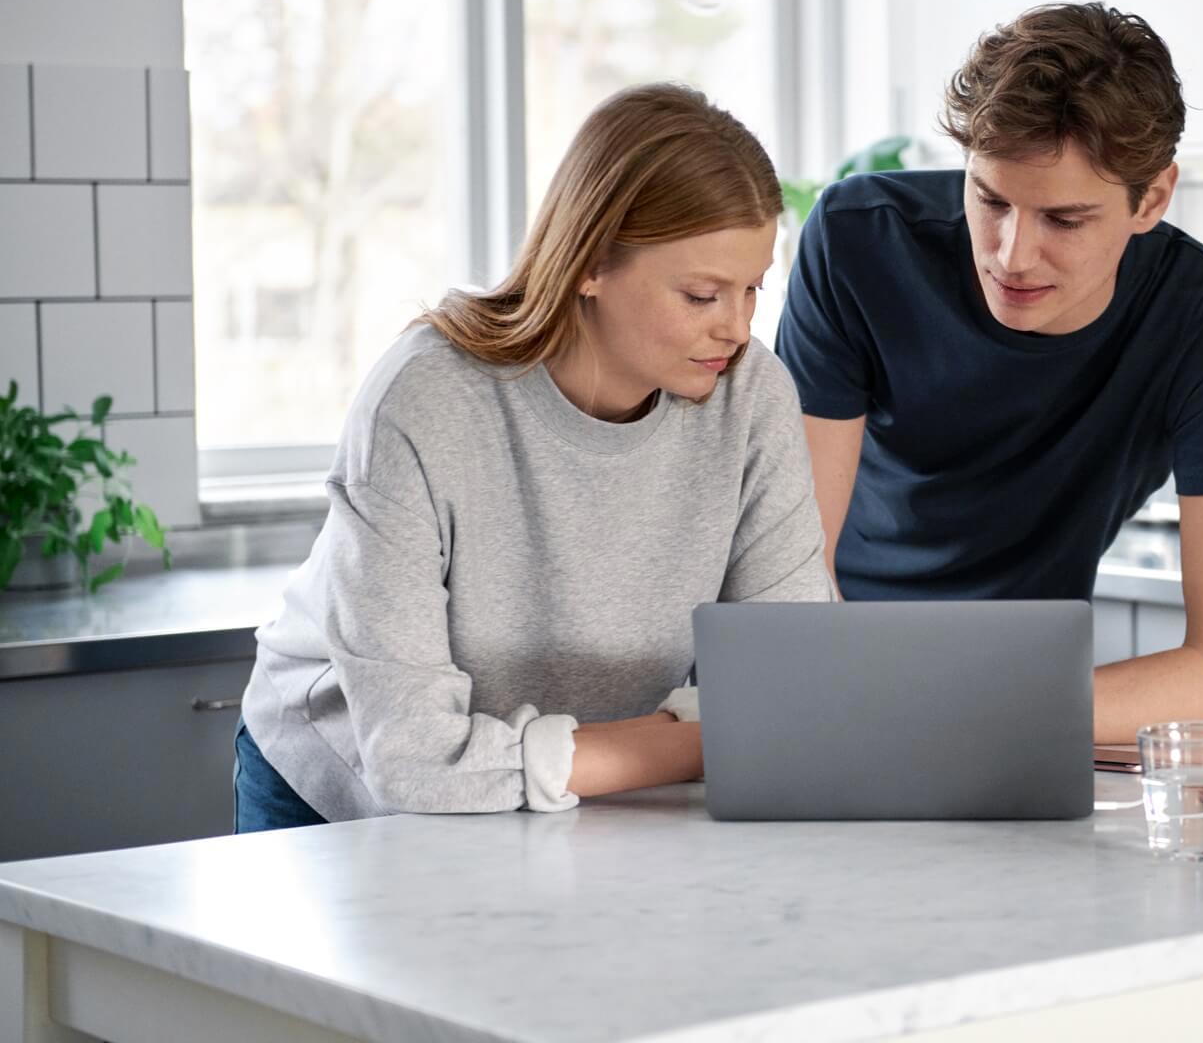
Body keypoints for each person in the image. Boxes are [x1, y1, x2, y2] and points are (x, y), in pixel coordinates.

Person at [234, 83, 831, 831]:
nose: (738, 330)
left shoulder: (750, 396)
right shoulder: (425, 399)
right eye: (703, 295)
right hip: (339, 786)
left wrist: (645, 748)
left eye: (753, 291)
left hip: (582, 780)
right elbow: (415, 759)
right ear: (589, 263)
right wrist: (694, 744)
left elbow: (792, 683)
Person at [775, 3, 1203, 742]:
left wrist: (944, 716)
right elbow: (786, 575)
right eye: (989, 200)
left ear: (1151, 198)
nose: (1011, 254)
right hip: (839, 680)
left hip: (1020, 704)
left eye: (1064, 219)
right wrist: (844, 704)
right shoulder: (857, 242)